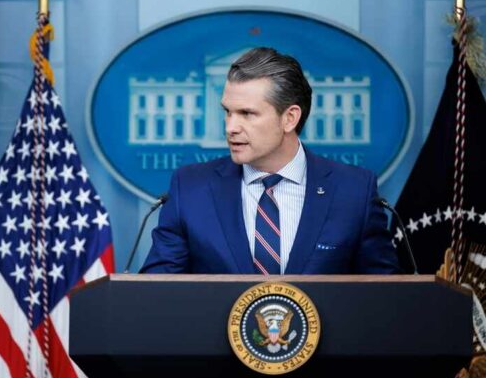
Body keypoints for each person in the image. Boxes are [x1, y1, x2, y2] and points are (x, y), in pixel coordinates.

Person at [140, 47, 400, 275]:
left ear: (289, 118)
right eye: (227, 112)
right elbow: (156, 292)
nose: (231, 127)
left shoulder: (354, 190)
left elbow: (385, 296)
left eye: (247, 113)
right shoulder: (189, 188)